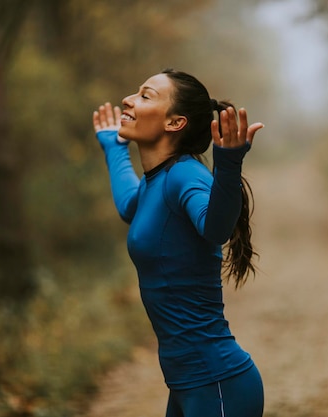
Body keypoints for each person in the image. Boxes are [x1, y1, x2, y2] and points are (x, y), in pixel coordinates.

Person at [92, 69, 264, 417]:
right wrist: (114, 149)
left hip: (217, 384)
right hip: (189, 386)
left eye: (145, 95)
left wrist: (228, 164)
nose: (128, 99)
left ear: (175, 123)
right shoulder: (157, 181)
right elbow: (131, 205)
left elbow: (215, 228)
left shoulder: (185, 175)